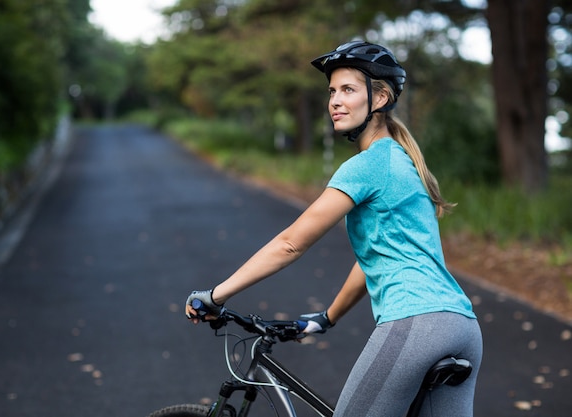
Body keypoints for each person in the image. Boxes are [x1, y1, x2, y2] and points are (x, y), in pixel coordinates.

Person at [185, 40, 482, 417]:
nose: (335, 101)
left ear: (380, 99)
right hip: (462, 328)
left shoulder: (368, 165)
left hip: (415, 324)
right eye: (332, 91)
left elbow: (291, 243)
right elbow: (375, 254)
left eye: (348, 90)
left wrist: (214, 296)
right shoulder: (403, 161)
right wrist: (328, 317)